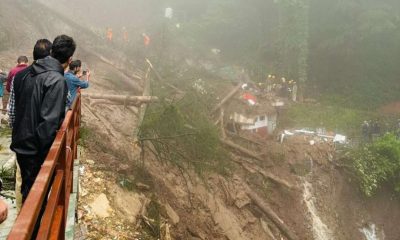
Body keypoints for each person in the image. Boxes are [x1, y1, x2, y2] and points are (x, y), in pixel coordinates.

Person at [10, 35, 76, 202]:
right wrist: (47, 158)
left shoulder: (28, 73)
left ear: (52, 51)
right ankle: (32, 227)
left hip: (21, 142)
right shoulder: (56, 80)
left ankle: (27, 224)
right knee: (35, 198)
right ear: (69, 60)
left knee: (27, 192)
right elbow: (48, 124)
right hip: (34, 151)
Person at [8, 39, 53, 211]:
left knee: (21, 178)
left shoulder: (18, 76)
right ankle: (32, 219)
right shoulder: (48, 79)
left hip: (19, 138)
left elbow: (12, 109)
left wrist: (16, 129)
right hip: (36, 142)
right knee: (36, 181)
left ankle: (21, 215)